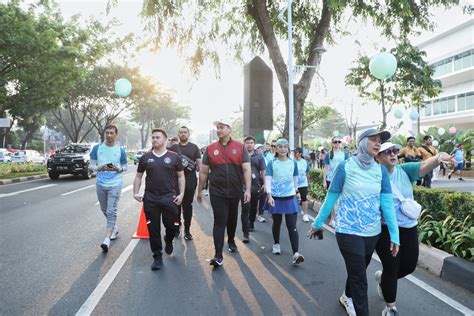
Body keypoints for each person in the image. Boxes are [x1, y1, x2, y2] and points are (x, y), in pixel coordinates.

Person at [308, 128, 400, 316]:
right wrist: (317, 223)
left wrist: (394, 234)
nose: (377, 144)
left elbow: (387, 205)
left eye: (379, 141)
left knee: (358, 270)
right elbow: (331, 198)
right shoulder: (345, 167)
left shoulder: (381, 171)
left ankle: (346, 296)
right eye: (373, 139)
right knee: (360, 279)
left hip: (372, 233)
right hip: (348, 231)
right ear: (361, 143)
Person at [375, 142, 456, 315]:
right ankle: (391, 308)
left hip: (409, 227)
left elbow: (426, 164)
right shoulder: (373, 176)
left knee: (409, 266)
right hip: (385, 230)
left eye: (395, 151)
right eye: (387, 152)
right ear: (378, 157)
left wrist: (439, 156)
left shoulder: (405, 170)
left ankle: (384, 280)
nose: (393, 154)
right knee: (392, 267)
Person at [197, 119, 251, 268]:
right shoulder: (210, 148)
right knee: (220, 221)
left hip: (235, 191)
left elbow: (247, 169)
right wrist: (200, 190)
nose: (219, 130)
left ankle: (232, 240)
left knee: (232, 220)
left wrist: (247, 190)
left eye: (222, 127)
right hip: (217, 192)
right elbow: (203, 171)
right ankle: (218, 255)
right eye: (217, 128)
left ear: (230, 129)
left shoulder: (240, 147)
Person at [133, 128, 185, 271]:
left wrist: (181, 194)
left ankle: (168, 240)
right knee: (153, 229)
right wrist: (135, 192)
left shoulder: (174, 157)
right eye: (153, 137)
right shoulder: (146, 157)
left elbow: (181, 176)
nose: (155, 139)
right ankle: (157, 257)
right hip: (151, 198)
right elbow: (138, 176)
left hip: (169, 198)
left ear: (165, 140)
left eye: (158, 137)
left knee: (171, 226)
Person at [89, 124, 128, 252]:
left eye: (112, 133)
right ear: (104, 134)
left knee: (111, 211)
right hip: (100, 183)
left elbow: (125, 166)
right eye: (107, 133)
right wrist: (98, 168)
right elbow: (91, 166)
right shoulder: (97, 148)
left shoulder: (120, 150)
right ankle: (114, 228)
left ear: (116, 135)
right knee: (104, 209)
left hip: (115, 184)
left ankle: (107, 238)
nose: (109, 135)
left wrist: (119, 169)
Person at [265, 138, 305, 265]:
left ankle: (296, 253)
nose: (282, 149)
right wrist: (269, 195)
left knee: (292, 226)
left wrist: (296, 192)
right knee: (276, 223)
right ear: (276, 148)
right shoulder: (272, 163)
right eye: (280, 146)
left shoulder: (293, 163)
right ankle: (276, 243)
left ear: (288, 148)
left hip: (290, 198)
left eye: (285, 146)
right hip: (276, 198)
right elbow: (268, 180)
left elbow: (295, 180)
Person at [171, 126, 202, 240]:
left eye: (185, 132)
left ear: (188, 134)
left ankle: (187, 230)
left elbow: (199, 164)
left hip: (190, 180)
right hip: (175, 181)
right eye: (181, 132)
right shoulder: (173, 147)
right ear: (178, 134)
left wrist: (203, 181)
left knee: (187, 206)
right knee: (176, 205)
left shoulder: (194, 147)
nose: (183, 134)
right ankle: (177, 228)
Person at [242, 137, 266, 240]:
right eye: (247, 143)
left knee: (253, 208)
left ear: (254, 144)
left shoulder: (259, 156)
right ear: (244, 144)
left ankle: (251, 222)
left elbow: (263, 171)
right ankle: (245, 232)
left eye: (251, 143)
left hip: (255, 186)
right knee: (245, 208)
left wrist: (264, 183)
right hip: (243, 186)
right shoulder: (241, 155)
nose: (249, 144)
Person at [323, 137, 350, 227]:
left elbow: (348, 167)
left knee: (340, 200)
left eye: (339, 141)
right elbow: (326, 168)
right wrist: (324, 181)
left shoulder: (345, 154)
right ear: (332, 143)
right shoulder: (329, 154)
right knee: (334, 200)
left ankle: (334, 219)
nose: (337, 143)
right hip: (331, 179)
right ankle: (333, 219)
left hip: (343, 179)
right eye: (335, 142)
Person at [294, 147, 311, 223]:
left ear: (300, 153)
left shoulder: (304, 162)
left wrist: (308, 182)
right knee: (292, 199)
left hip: (303, 183)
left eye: (296, 152)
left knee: (304, 198)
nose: (294, 154)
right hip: (294, 183)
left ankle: (305, 214)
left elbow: (307, 172)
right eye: (294, 152)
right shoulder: (292, 162)